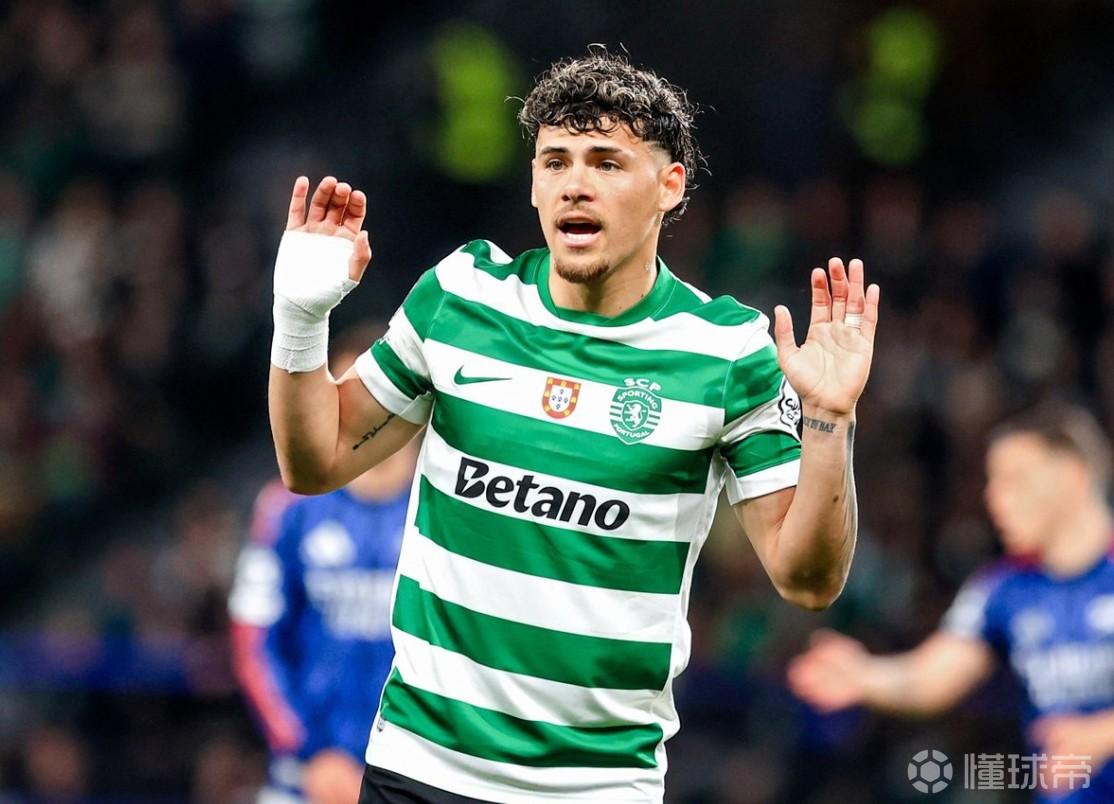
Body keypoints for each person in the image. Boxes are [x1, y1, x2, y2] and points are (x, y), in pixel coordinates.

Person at [268, 50, 881, 803]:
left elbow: (808, 580)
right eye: (555, 161)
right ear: (534, 183)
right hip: (419, 771)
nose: (575, 184)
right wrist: (299, 320)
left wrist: (830, 420)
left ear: (670, 186)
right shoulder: (460, 298)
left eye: (606, 163)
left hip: (597, 785)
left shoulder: (727, 353)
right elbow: (315, 462)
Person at [788, 405, 1114, 802]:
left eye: (1014, 480)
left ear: (1072, 476)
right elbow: (932, 677)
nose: (993, 498)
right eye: (992, 482)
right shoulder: (1002, 590)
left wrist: (1103, 734)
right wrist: (864, 676)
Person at [230, 327, 419, 804]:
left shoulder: (448, 507)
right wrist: (309, 751)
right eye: (347, 390)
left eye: (381, 390)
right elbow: (254, 642)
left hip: (415, 774)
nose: (365, 407)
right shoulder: (287, 510)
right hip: (305, 778)